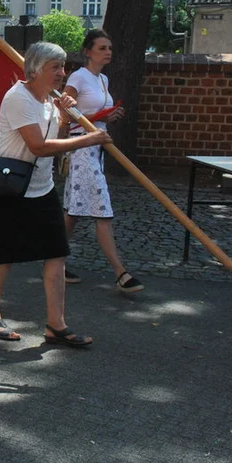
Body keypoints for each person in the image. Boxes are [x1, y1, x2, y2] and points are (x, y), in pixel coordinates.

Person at [0, 41, 111, 348]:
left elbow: (56, 142)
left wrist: (65, 121)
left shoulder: (50, 100)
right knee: (3, 257)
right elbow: (38, 146)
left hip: (42, 187)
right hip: (13, 188)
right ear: (36, 70)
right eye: (56, 67)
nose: (62, 74)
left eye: (63, 67)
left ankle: (56, 325)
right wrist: (88, 139)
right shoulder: (18, 98)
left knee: (56, 254)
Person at [61, 29, 144, 293]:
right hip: (82, 147)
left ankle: (54, 261)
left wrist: (106, 116)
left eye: (109, 47)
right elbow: (65, 110)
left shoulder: (103, 79)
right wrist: (89, 116)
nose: (108, 52)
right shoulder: (78, 77)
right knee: (102, 209)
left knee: (73, 212)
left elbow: (92, 114)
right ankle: (121, 273)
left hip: (96, 146)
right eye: (102, 48)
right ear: (88, 52)